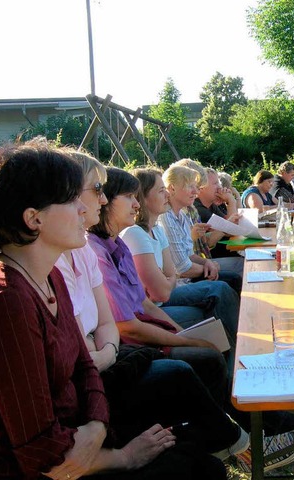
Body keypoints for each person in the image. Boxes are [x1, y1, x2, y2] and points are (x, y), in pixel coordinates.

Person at [0, 140, 226, 479]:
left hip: (81, 438)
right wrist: (124, 457)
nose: (85, 209)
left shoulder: (46, 277)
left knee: (196, 456)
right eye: (70, 199)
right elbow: (44, 453)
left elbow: (84, 366)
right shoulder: (2, 305)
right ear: (33, 219)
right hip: (33, 471)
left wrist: (97, 426)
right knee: (198, 468)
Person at [56, 152, 249, 465]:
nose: (103, 201)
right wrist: (183, 338)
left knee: (213, 330)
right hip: (118, 354)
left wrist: (175, 331)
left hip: (122, 342)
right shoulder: (106, 244)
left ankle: (232, 418)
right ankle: (235, 432)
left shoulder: (113, 243)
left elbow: (141, 302)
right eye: (99, 192)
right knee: (204, 344)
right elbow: (134, 315)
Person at [87, 166, 231, 407]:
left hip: (144, 323)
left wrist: (181, 333)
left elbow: (147, 301)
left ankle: (243, 408)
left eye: (137, 197)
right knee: (209, 350)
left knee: (214, 340)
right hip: (128, 346)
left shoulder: (119, 245)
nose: (136, 204)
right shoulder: (103, 248)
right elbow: (132, 322)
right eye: (130, 197)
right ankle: (244, 426)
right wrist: (187, 341)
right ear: (106, 202)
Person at [120, 167, 239, 350]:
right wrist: (171, 278)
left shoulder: (157, 230)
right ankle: (234, 352)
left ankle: (231, 349)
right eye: (161, 190)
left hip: (171, 291)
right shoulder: (136, 234)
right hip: (157, 304)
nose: (167, 194)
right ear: (142, 197)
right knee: (221, 288)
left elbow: (173, 273)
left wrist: (203, 264)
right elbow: (164, 290)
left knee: (224, 285)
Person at [158, 165, 243, 292]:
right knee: (229, 281)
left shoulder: (182, 214)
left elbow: (189, 254)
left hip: (191, 272)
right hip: (180, 284)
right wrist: (209, 266)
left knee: (233, 278)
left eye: (197, 187)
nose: (196, 192)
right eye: (190, 186)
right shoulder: (167, 217)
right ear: (172, 188)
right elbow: (182, 268)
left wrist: (207, 263)